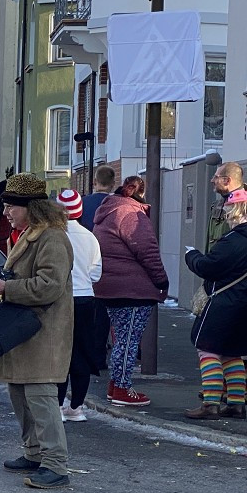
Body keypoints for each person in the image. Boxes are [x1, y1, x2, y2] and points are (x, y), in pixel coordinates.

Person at [0, 173, 74, 490]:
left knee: (41, 399)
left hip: (42, 332)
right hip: (24, 330)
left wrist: (7, 287)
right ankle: (34, 454)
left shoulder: (52, 238)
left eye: (11, 206)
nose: (6, 211)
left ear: (29, 207)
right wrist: (1, 281)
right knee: (20, 395)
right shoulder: (30, 233)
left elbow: (49, 286)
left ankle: (55, 464)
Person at [92, 176, 168, 406]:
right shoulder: (131, 213)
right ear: (139, 192)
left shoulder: (107, 212)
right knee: (129, 340)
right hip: (133, 288)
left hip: (110, 286)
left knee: (121, 339)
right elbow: (147, 251)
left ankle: (115, 386)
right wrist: (161, 281)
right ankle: (123, 389)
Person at [184, 188, 247, 421]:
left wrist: (192, 256)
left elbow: (209, 266)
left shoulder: (233, 241)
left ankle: (211, 403)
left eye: (228, 209)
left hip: (224, 303)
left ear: (235, 211)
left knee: (208, 350)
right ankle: (237, 403)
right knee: (232, 354)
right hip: (243, 304)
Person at [54, 190, 103, 422]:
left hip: (60, 298)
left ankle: (57, 404)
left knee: (60, 352)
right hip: (86, 299)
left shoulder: (54, 236)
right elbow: (96, 274)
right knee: (81, 352)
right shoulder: (90, 237)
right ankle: (76, 407)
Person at [206, 162, 244, 253]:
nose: (212, 180)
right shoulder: (217, 205)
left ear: (227, 180)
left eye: (216, 177)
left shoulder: (243, 205)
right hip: (215, 263)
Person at [80, 165, 116, 232]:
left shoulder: (82, 202)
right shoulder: (117, 203)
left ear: (95, 182)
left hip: (86, 239)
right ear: (113, 183)